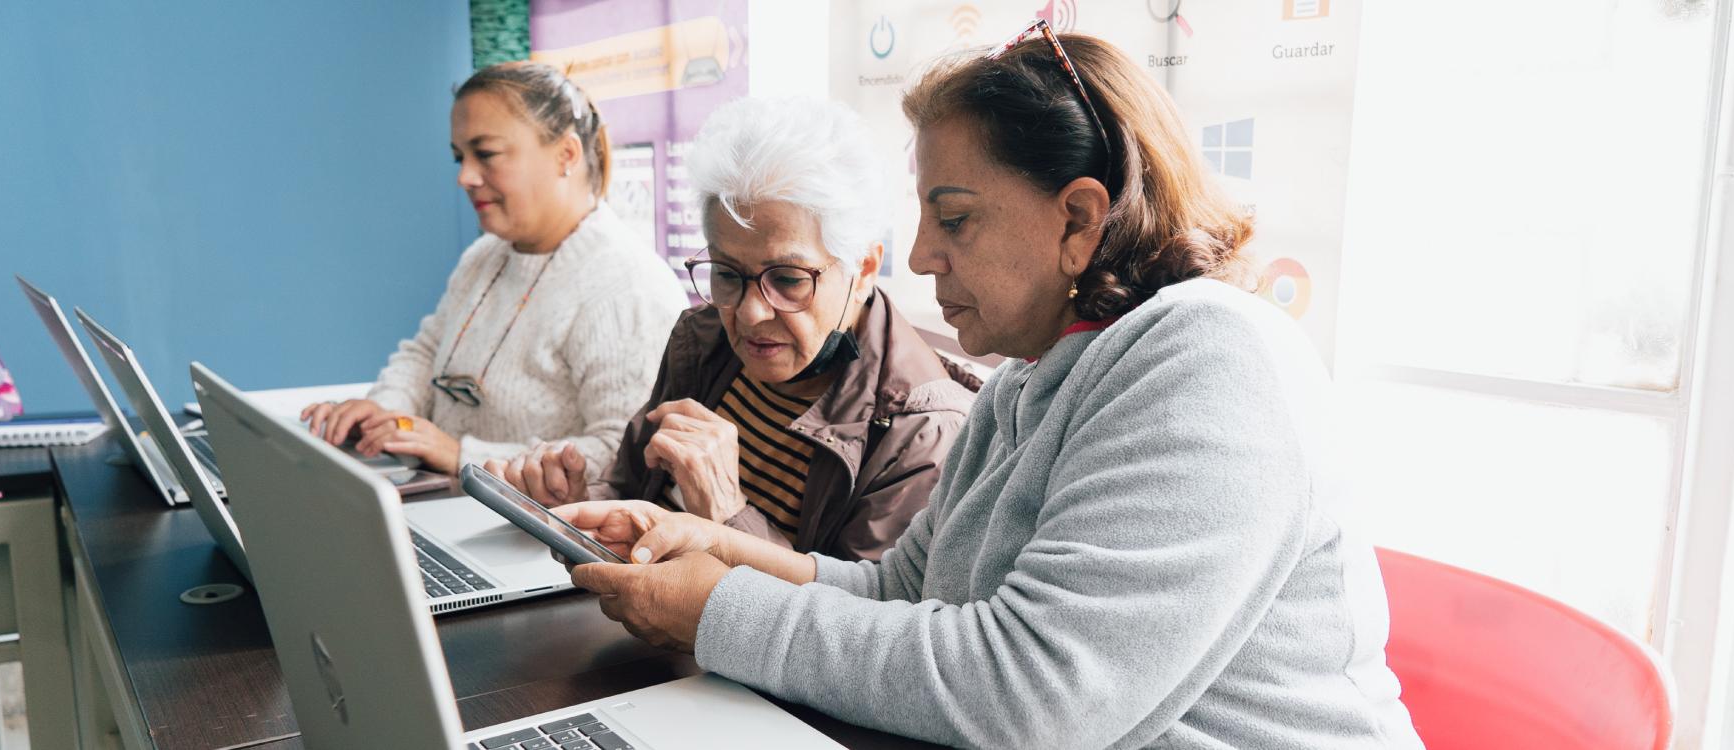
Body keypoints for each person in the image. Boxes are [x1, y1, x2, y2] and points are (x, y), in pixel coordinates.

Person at [548, 24, 1423, 749]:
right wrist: (712, 544)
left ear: (1077, 219)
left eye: (954, 218)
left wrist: (717, 611)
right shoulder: (1032, 378)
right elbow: (900, 595)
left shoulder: (1212, 357)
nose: (923, 255)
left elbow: (1037, 692)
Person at [488, 97, 979, 561]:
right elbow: (630, 489)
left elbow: (858, 632)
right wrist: (577, 504)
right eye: (726, 274)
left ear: (865, 267)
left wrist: (725, 513)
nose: (749, 314)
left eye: (787, 279)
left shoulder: (924, 432)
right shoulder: (703, 339)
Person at [301, 62, 686, 476]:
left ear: (566, 154)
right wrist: (385, 412)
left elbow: (623, 457)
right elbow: (427, 353)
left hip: (534, 533)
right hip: (451, 502)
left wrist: (463, 457)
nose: (465, 177)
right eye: (459, 158)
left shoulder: (628, 287)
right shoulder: (485, 256)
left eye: (485, 154)